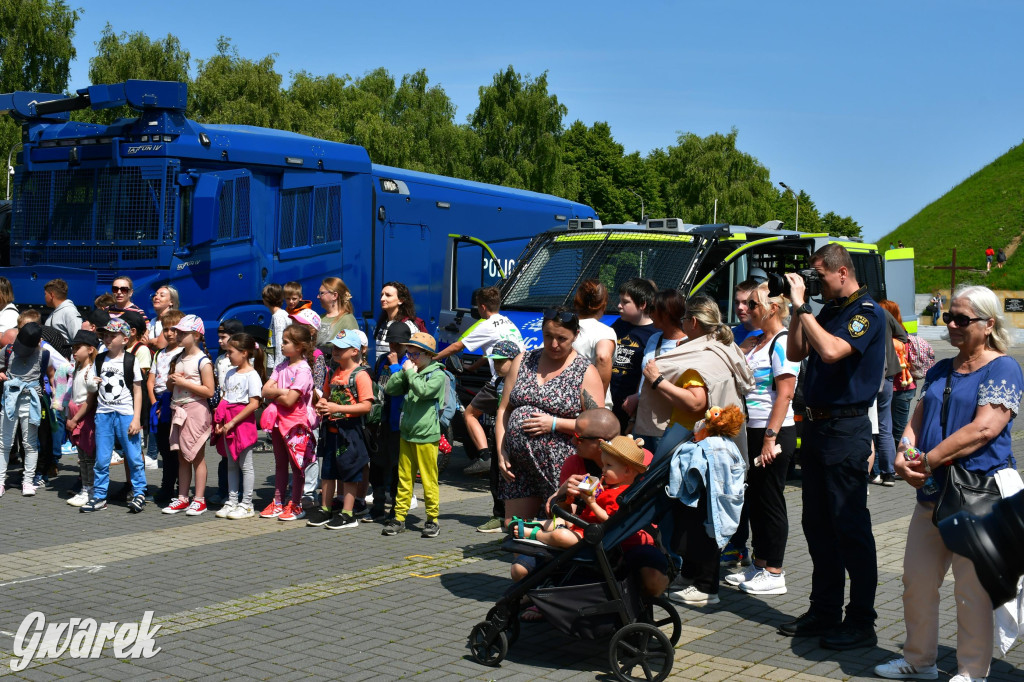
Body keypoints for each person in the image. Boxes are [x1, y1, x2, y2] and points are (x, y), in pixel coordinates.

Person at [875, 285, 1022, 682]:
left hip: (978, 496)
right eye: (948, 317)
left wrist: (927, 459)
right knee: (916, 582)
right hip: (932, 495)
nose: (952, 325)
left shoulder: (1003, 368)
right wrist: (904, 453)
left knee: (972, 591)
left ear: (988, 324)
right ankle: (919, 660)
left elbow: (984, 429)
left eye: (962, 319)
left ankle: (972, 672)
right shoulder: (942, 367)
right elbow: (917, 420)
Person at [779, 243, 885, 651]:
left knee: (850, 528)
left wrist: (802, 306)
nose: (814, 283)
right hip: (820, 429)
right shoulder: (828, 312)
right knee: (817, 526)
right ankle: (824, 610)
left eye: (819, 275)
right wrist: (796, 310)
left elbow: (831, 350)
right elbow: (795, 351)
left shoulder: (866, 313)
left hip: (846, 429)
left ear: (842, 273)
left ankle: (861, 620)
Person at [642, 294, 752, 607]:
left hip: (698, 447)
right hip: (711, 446)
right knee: (699, 513)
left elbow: (696, 402)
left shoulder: (698, 356)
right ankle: (691, 578)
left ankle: (705, 587)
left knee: (697, 516)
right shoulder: (723, 348)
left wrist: (658, 380)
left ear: (692, 323)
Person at [496, 308, 604, 528]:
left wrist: (554, 423)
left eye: (562, 338)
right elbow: (503, 410)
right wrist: (500, 451)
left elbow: (599, 426)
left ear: (575, 335)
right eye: (548, 336)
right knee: (514, 527)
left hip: (561, 466)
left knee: (559, 526)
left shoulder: (585, 371)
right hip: (518, 465)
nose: (554, 344)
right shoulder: (524, 360)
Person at [726, 282, 799, 596]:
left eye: (753, 304)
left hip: (773, 429)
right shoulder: (757, 340)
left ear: (773, 308)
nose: (747, 309)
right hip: (751, 430)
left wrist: (770, 438)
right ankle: (759, 564)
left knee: (770, 499)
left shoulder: (783, 342)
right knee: (755, 499)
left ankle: (775, 571)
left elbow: (785, 394)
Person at [433, 286, 524, 479]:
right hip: (520, 379)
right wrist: (473, 368)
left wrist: (432, 359)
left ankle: (484, 456)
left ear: (482, 307)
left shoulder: (486, 325)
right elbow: (493, 351)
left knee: (470, 414)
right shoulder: (508, 323)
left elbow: (458, 346)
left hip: (501, 382)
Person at [511, 434, 651, 548]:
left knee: (561, 536)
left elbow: (610, 519)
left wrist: (591, 503)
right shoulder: (612, 487)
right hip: (586, 524)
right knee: (563, 519)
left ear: (627, 470)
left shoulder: (623, 495)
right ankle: (535, 523)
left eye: (608, 466)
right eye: (603, 465)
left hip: (594, 534)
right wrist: (594, 492)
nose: (603, 470)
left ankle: (535, 534)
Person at [382, 332, 447, 538]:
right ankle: (399, 518)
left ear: (429, 355)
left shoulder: (438, 374)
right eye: (409, 354)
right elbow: (391, 388)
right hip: (407, 433)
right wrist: (402, 372)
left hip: (426, 435)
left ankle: (432, 520)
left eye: (415, 354)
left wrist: (410, 373)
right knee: (404, 479)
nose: (411, 358)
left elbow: (424, 391)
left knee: (428, 480)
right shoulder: (412, 370)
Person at [80, 319, 146, 513]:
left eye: (112, 335)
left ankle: (139, 492)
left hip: (125, 414)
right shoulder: (100, 359)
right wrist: (92, 383)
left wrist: (136, 419)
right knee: (102, 458)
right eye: (105, 335)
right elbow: (91, 386)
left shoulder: (130, 360)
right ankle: (100, 496)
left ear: (125, 339)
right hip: (103, 414)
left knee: (133, 456)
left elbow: (137, 391)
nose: (107, 338)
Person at [309, 330, 373, 530]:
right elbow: (326, 396)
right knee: (328, 472)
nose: (335, 351)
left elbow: (366, 406)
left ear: (354, 351)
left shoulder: (360, 375)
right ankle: (326, 509)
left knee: (350, 473)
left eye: (340, 348)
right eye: (334, 347)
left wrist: (337, 408)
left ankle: (348, 513)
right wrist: (322, 403)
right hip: (331, 431)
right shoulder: (333, 372)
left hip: (350, 432)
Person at [260, 324, 318, 521]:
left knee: (296, 465)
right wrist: (283, 391)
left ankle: (296, 503)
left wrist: (279, 393)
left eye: (286, 342)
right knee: (280, 463)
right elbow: (264, 391)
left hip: (295, 423)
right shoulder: (281, 366)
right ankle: (278, 502)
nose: (282, 345)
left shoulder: (303, 370)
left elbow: (289, 400)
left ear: (300, 346)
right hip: (278, 422)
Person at [162, 315, 215, 517]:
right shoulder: (177, 358)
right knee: (182, 457)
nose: (178, 335)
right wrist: (171, 381)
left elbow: (209, 391)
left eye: (183, 333)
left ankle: (199, 499)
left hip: (195, 411)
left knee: (196, 456)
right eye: (178, 332)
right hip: (178, 410)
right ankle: (183, 497)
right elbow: (170, 387)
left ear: (196, 335)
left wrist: (184, 384)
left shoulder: (202, 361)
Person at [625, 289, 688, 454]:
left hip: (667, 423)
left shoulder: (688, 345)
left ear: (665, 314)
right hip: (645, 420)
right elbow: (645, 375)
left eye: (653, 309)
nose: (649, 313)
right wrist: (636, 402)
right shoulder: (654, 339)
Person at [212, 333, 265, 520]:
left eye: (231, 352)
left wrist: (233, 421)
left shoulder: (252, 375)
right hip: (228, 423)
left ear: (244, 353)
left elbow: (254, 403)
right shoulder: (230, 373)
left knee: (246, 465)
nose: (228, 356)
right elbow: (225, 398)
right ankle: (232, 500)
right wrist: (219, 420)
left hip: (242, 424)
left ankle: (247, 503)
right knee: (231, 464)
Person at [0, 323, 55, 496]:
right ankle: (0, 481)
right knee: (5, 442)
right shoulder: (8, 350)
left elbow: (51, 373)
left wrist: (55, 397)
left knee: (30, 443)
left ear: (39, 341)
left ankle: (28, 481)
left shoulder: (44, 354)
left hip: (31, 400)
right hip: (10, 399)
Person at [366, 322, 413, 522]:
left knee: (395, 467)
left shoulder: (409, 363)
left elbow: (404, 386)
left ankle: (395, 507)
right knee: (377, 464)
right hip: (380, 421)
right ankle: (377, 506)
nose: (393, 346)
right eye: (391, 342)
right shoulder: (382, 360)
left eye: (398, 343)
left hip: (398, 423)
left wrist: (395, 366)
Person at [474, 340, 523, 532]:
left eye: (500, 361)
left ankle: (516, 516)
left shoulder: (524, 380)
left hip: (517, 438)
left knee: (515, 477)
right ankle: (499, 515)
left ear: (514, 360)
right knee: (495, 475)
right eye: (494, 361)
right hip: (498, 435)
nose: (496, 365)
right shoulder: (497, 381)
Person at [609, 278, 658, 433]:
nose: (619, 306)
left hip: (632, 405)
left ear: (642, 304)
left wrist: (638, 396)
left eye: (625, 302)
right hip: (611, 399)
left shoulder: (655, 334)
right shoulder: (618, 325)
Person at [870, 302, 909, 487]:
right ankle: (889, 474)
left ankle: (872, 472)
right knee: (885, 425)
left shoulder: (858, 311)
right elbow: (903, 336)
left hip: (868, 376)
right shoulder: (884, 314)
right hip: (887, 375)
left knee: (867, 425)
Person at [148, 309, 184, 504]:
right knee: (163, 446)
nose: (169, 333)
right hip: (160, 401)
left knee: (175, 448)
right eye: (165, 329)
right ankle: (167, 486)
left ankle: (178, 487)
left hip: (174, 401)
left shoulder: (182, 354)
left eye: (172, 329)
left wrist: (167, 404)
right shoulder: (160, 354)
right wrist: (155, 404)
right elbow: (150, 381)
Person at [65, 330, 100, 507]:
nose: (74, 351)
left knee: (88, 456)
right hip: (76, 415)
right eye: (73, 348)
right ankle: (85, 487)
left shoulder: (91, 370)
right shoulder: (77, 368)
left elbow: (89, 401)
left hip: (85, 417)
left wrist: (75, 419)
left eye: (78, 348)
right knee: (82, 456)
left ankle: (90, 489)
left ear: (91, 349)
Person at [878, 300, 916, 457]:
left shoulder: (895, 338)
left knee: (894, 429)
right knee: (893, 428)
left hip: (898, 388)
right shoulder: (901, 334)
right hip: (902, 387)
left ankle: (900, 462)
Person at [571, 279, 617, 406]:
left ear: (576, 302)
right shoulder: (604, 331)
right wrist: (597, 400)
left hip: (564, 402)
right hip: (592, 407)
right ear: (604, 305)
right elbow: (603, 357)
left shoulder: (563, 328)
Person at [374, 281, 423, 361]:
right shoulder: (381, 323)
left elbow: (414, 355)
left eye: (388, 295)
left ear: (401, 300)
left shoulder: (408, 326)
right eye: (382, 295)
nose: (382, 299)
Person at [315, 277, 359, 352]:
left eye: (322, 293)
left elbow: (351, 350)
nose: (318, 296)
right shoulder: (319, 318)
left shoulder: (347, 320)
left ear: (334, 295)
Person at [43, 278, 81, 344]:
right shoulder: (55, 312)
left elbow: (78, 340)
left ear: (52, 295)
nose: (44, 297)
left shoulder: (70, 312)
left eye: (45, 294)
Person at [732, 277, 765, 347]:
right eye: (736, 302)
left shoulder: (769, 335)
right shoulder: (730, 335)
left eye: (745, 302)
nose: (739, 307)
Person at [263, 283, 290, 370]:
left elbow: (280, 343)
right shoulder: (278, 315)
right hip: (276, 364)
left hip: (278, 366)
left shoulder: (278, 317)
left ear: (267, 299)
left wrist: (277, 369)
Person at [147, 285, 180, 351]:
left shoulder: (173, 319)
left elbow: (160, 345)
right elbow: (142, 341)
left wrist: (148, 342)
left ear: (171, 302)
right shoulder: (153, 321)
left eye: (162, 295)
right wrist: (154, 341)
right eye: (155, 295)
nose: (156, 297)